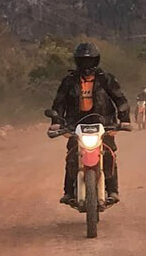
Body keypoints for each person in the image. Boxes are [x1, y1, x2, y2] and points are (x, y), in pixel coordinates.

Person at [48, 42, 131, 205]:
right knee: (72, 155)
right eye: (83, 61)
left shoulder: (106, 79)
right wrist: (56, 122)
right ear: (77, 61)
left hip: (104, 124)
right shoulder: (69, 81)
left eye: (90, 60)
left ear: (96, 61)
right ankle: (69, 191)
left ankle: (113, 190)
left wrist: (124, 119)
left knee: (109, 154)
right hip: (74, 125)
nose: (87, 65)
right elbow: (59, 103)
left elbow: (120, 99)